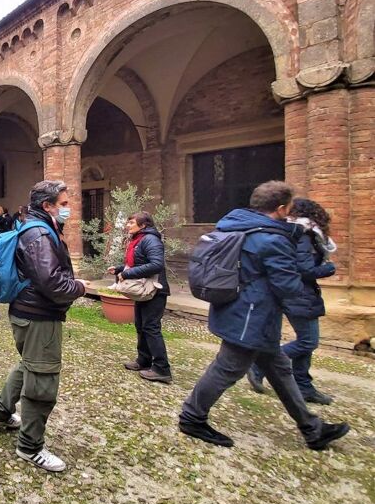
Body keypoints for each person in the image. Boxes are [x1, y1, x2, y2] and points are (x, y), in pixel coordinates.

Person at [179, 181, 350, 451]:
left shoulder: (238, 225)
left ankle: (311, 428)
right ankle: (191, 417)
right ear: (281, 209)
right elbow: (288, 285)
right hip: (252, 315)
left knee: (280, 370)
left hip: (243, 309)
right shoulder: (271, 239)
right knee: (227, 368)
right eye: (290, 208)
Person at [0, 180, 89, 472]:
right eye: (64, 203)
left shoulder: (37, 228)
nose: (68, 208)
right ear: (48, 206)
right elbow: (52, 283)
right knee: (42, 378)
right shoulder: (39, 234)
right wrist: (79, 287)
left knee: (28, 366)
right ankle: (30, 446)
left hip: (29, 312)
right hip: (39, 315)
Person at [247, 198, 338, 404]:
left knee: (306, 344)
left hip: (300, 294)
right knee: (308, 341)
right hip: (299, 294)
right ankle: (260, 364)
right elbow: (303, 269)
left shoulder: (296, 233)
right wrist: (329, 269)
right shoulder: (304, 236)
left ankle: (304, 386)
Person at [109, 211, 172, 383]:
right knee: (141, 325)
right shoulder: (138, 240)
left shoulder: (150, 240)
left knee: (151, 327)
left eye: (131, 222)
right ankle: (144, 360)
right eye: (128, 222)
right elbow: (140, 263)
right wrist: (121, 268)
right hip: (144, 290)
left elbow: (156, 264)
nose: (128, 225)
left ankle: (162, 368)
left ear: (143, 226)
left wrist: (128, 274)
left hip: (155, 290)